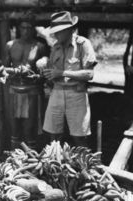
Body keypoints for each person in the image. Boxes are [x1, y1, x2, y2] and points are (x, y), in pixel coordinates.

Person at [42, 11, 97, 147]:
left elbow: (89, 74)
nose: (55, 35)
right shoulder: (55, 47)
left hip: (76, 94)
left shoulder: (83, 44)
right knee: (53, 135)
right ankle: (54, 165)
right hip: (57, 92)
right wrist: (44, 69)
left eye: (58, 31)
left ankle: (84, 166)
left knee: (80, 137)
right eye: (54, 32)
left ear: (69, 30)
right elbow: (52, 73)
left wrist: (62, 73)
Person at [1, 16, 50, 150]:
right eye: (23, 28)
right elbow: (3, 70)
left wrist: (35, 77)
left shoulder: (40, 47)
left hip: (32, 90)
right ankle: (13, 157)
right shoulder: (10, 45)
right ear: (18, 28)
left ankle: (31, 159)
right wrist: (14, 71)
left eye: (29, 28)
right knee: (14, 127)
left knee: (30, 127)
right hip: (14, 90)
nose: (26, 31)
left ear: (33, 30)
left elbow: (45, 75)